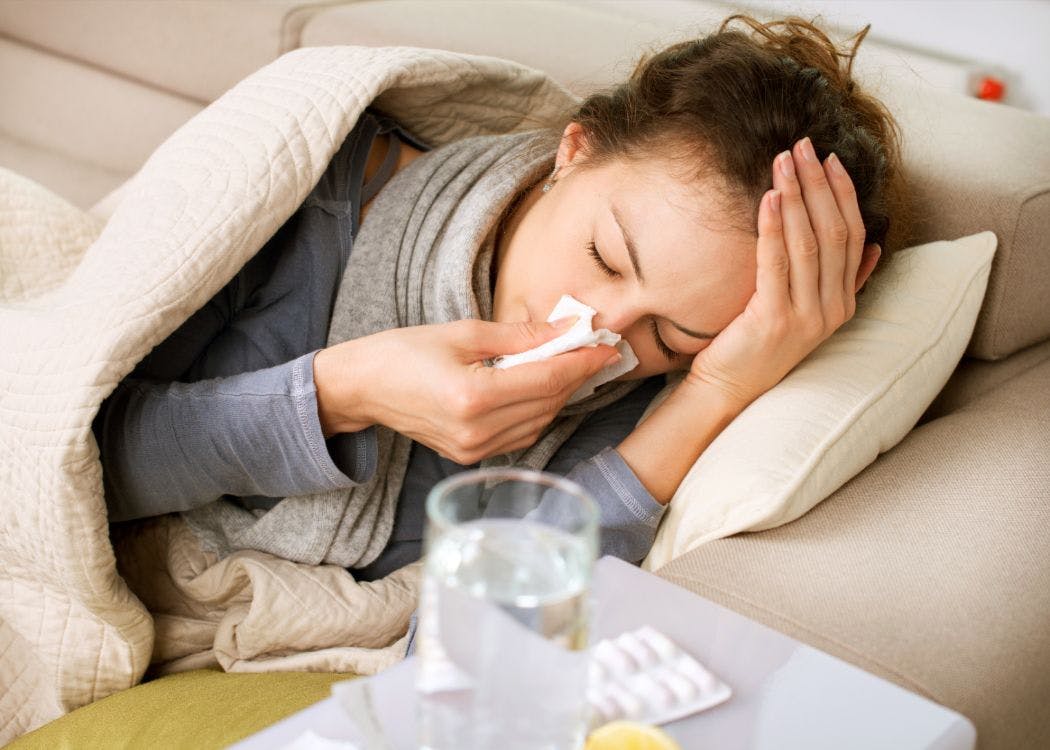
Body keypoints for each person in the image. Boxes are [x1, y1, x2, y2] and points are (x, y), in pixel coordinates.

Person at [93, 15, 903, 580]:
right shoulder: (302, 193)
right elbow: (73, 459)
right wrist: (345, 392)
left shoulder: (641, 384)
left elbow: (499, 619)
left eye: (674, 331)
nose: (597, 335)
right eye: (604, 258)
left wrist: (715, 389)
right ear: (574, 152)